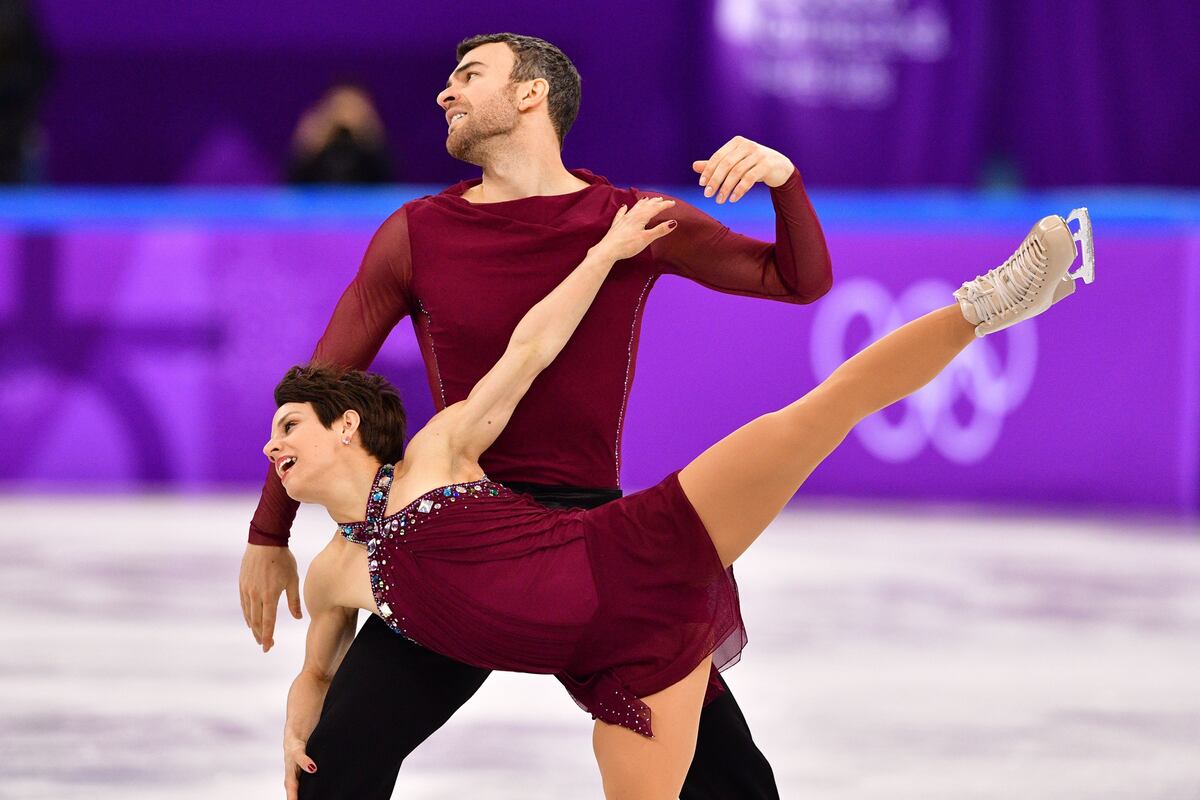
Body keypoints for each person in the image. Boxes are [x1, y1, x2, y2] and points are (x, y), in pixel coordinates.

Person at [265, 198, 1094, 799]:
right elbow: (313, 678)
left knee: (816, 414)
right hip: (626, 664)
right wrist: (302, 731)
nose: (273, 447)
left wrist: (605, 252)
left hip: (636, 545)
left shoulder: (438, 451)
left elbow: (533, 346)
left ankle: (994, 301)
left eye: (289, 427)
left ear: (346, 428)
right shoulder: (334, 574)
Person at [242, 32, 833, 799]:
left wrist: (783, 179)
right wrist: (269, 532)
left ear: (531, 94)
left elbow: (799, 280)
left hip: (589, 548)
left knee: (732, 784)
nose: (444, 93)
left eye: (468, 76)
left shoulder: (629, 220)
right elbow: (322, 387)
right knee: (336, 763)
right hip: (455, 536)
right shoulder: (417, 234)